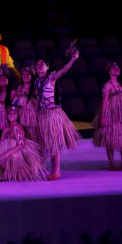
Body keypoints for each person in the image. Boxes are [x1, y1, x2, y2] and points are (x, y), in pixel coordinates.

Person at [33, 46, 81, 180]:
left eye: (42, 64)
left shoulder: (51, 78)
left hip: (52, 114)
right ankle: (53, 170)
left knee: (53, 143)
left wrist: (73, 59)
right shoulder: (36, 81)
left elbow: (64, 71)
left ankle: (57, 171)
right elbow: (37, 99)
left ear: (47, 67)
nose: (39, 66)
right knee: (48, 144)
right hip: (42, 114)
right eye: (37, 65)